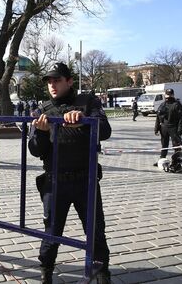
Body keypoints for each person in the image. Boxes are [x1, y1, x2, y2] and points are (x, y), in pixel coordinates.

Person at [28, 63, 112, 284]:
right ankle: (46, 268)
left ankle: (102, 271)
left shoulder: (88, 102)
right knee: (51, 231)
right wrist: (43, 133)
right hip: (55, 182)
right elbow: (35, 149)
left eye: (57, 80)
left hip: (86, 180)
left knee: (95, 231)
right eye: (49, 81)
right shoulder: (41, 111)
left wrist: (83, 122)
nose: (52, 85)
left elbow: (104, 130)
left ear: (69, 81)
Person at [154, 88, 182, 166]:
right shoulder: (163, 104)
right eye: (167, 94)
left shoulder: (177, 104)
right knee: (164, 144)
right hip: (164, 127)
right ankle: (162, 160)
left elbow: (181, 118)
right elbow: (158, 117)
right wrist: (156, 128)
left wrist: (180, 129)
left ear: (173, 95)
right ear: (165, 95)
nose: (168, 96)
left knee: (176, 145)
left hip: (174, 127)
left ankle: (177, 161)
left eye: (170, 94)